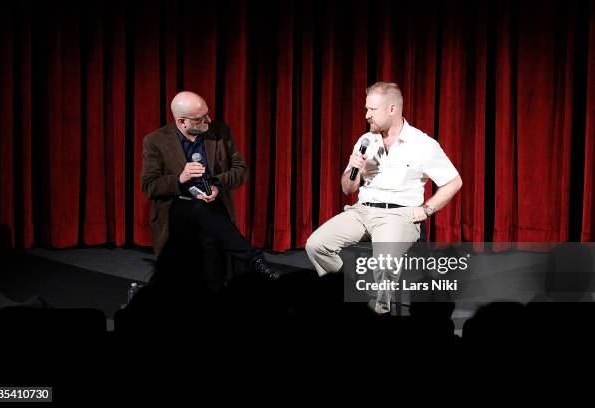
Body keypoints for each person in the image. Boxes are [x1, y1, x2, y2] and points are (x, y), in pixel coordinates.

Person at [305, 82, 462, 313]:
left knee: (384, 262)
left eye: (372, 110)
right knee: (316, 245)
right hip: (362, 210)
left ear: (392, 109)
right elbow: (347, 189)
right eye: (366, 109)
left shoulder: (423, 144)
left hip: (398, 215)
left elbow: (453, 181)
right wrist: (353, 171)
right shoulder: (366, 140)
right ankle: (353, 293)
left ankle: (381, 312)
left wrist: (427, 209)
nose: (367, 115)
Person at [141, 91, 281, 290]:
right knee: (197, 207)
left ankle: (214, 300)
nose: (208, 119)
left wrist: (217, 185)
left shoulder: (220, 131)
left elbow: (240, 170)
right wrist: (181, 178)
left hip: (213, 207)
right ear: (182, 122)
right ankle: (254, 258)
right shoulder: (155, 141)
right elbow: (149, 186)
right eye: (200, 118)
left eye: (207, 113)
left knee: (208, 242)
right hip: (177, 210)